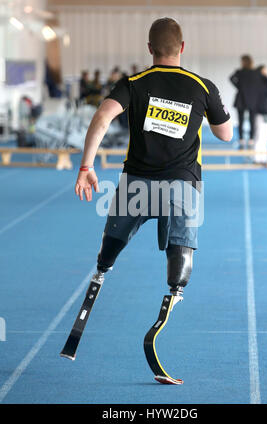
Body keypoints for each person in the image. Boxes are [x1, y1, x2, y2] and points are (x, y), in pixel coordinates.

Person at [74, 17, 232, 330]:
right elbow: (225, 134)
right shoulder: (203, 86)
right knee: (180, 248)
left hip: (136, 183)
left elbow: (103, 117)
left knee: (112, 242)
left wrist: (86, 167)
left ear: (150, 49)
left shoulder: (133, 83)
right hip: (182, 185)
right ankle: (175, 292)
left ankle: (102, 270)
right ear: (182, 48)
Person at [230, 55, 261, 149]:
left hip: (242, 98)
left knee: (241, 120)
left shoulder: (240, 72)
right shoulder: (255, 72)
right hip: (252, 99)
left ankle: (241, 139)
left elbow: (231, 78)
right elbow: (259, 83)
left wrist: (239, 87)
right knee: (252, 120)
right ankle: (251, 139)